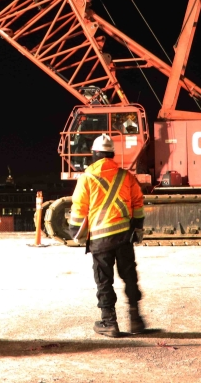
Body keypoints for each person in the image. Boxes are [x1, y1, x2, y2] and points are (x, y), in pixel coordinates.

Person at [68, 133, 147, 338]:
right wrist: (137, 228)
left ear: (94, 154)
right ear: (112, 154)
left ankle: (109, 323)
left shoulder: (87, 178)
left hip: (100, 239)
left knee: (104, 281)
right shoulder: (125, 176)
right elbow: (138, 203)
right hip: (123, 237)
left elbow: (79, 208)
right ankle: (136, 320)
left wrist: (75, 231)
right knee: (129, 276)